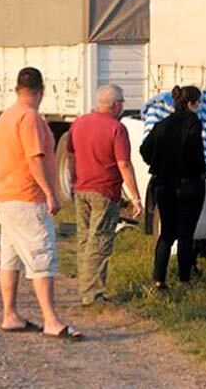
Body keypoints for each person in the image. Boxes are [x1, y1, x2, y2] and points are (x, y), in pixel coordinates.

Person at [0, 67, 82, 340]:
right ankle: (51, 321)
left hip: (5, 195)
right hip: (26, 196)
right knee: (42, 255)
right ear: (41, 90)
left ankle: (10, 314)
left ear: (17, 89)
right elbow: (35, 158)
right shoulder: (29, 118)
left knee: (11, 257)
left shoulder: (5, 118)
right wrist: (50, 193)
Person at [67, 84, 142, 306]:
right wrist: (135, 196)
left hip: (82, 189)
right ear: (116, 104)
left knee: (84, 239)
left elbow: (70, 156)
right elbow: (124, 164)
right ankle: (93, 295)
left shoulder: (79, 122)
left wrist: (73, 180)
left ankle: (84, 288)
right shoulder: (116, 128)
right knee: (100, 241)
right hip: (105, 191)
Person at [140, 85, 206, 289]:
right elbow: (196, 155)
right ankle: (184, 280)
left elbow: (144, 150)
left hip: (163, 184)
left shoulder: (162, 124)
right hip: (189, 185)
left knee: (166, 233)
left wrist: (158, 162)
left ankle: (159, 279)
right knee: (186, 234)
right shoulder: (194, 123)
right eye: (198, 103)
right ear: (191, 104)